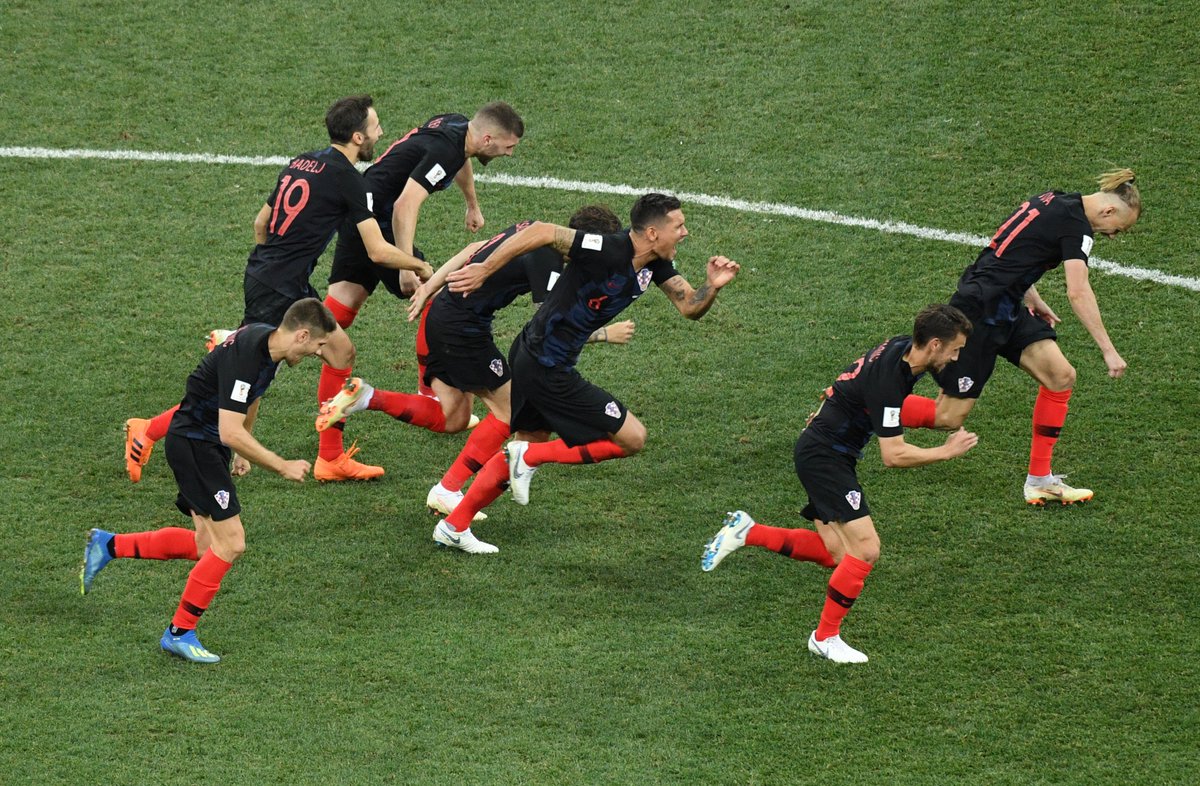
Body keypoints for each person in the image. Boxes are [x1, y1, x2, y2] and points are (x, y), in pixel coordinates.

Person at [123, 95, 431, 484]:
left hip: (272, 277)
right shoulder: (348, 178)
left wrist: (276, 264)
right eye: (375, 126)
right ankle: (150, 430)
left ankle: (329, 458)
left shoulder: (302, 161)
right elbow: (376, 250)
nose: (380, 132)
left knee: (340, 351)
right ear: (357, 137)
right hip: (280, 288)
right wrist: (420, 265)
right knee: (249, 375)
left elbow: (261, 223)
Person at [427, 192, 740, 553]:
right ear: (653, 233)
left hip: (535, 354)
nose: (685, 232)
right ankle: (525, 460)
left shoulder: (655, 264)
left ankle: (454, 525)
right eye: (679, 226)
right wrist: (485, 269)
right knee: (632, 438)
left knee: (530, 440)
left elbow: (689, 307)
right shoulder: (607, 248)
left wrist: (712, 286)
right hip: (546, 366)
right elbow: (541, 231)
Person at [315, 205, 634, 522]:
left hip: (442, 315)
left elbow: (471, 250)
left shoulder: (530, 228)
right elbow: (549, 326)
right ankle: (448, 490)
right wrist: (606, 334)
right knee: (511, 410)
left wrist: (430, 287)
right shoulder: (547, 257)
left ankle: (367, 397)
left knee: (453, 417)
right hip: (462, 329)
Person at [701, 304, 979, 664]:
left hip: (824, 451)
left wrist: (936, 416)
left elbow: (863, 390)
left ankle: (748, 532)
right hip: (825, 459)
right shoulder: (890, 378)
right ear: (935, 344)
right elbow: (893, 455)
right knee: (866, 550)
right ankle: (824, 638)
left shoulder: (901, 348)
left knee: (837, 553)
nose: (956, 357)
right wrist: (945, 452)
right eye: (955, 349)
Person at [83, 299, 337, 664]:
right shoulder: (248, 356)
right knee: (232, 543)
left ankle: (108, 545)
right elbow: (230, 430)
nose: (319, 353)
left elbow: (250, 400)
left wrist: (244, 451)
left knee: (207, 546)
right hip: (194, 445)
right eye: (318, 345)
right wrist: (280, 465)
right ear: (302, 335)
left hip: (207, 444)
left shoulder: (269, 348)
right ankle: (179, 632)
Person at [899, 169, 1141, 505]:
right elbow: (1078, 291)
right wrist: (1108, 349)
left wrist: (1031, 296)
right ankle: (859, 400)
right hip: (978, 314)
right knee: (948, 418)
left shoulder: (1053, 199)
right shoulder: (1077, 228)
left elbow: (1014, 252)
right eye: (1118, 229)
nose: (1113, 236)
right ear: (1109, 210)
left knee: (1061, 376)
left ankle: (1040, 481)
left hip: (1007, 305)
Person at [315, 103, 525, 480]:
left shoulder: (459, 129)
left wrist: (471, 204)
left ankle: (327, 455)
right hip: (377, 225)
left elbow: (461, 160)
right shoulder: (448, 148)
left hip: (358, 212)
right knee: (436, 296)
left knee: (332, 325)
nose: (509, 154)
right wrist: (407, 265)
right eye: (507, 147)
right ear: (487, 138)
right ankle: (430, 396)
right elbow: (404, 205)